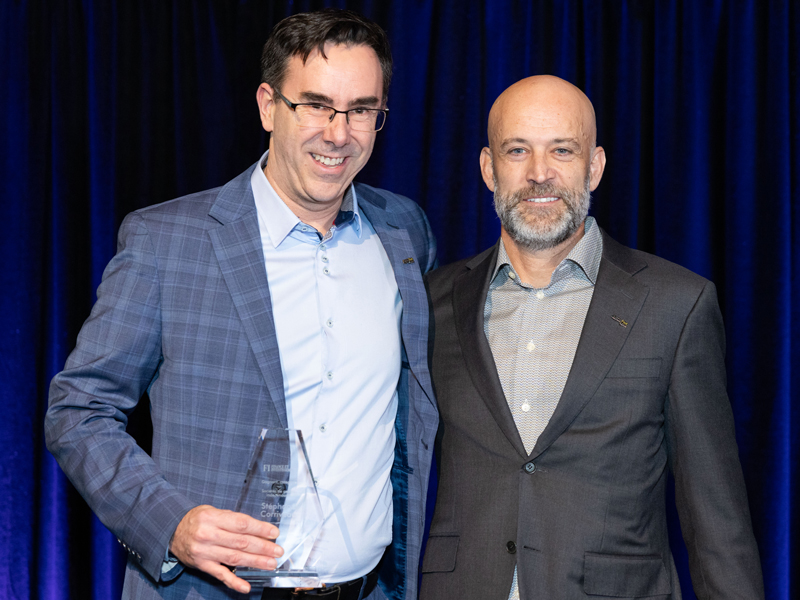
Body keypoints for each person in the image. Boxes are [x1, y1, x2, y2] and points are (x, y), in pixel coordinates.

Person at [45, 9, 438, 600]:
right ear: (267, 106)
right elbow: (77, 409)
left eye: (361, 110)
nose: (339, 133)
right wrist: (170, 524)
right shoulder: (168, 243)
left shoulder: (403, 233)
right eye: (316, 105)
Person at [420, 75, 763, 599]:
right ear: (489, 169)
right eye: (517, 151)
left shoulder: (676, 304)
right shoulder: (433, 302)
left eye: (562, 150)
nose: (540, 174)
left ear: (595, 166)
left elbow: (716, 519)